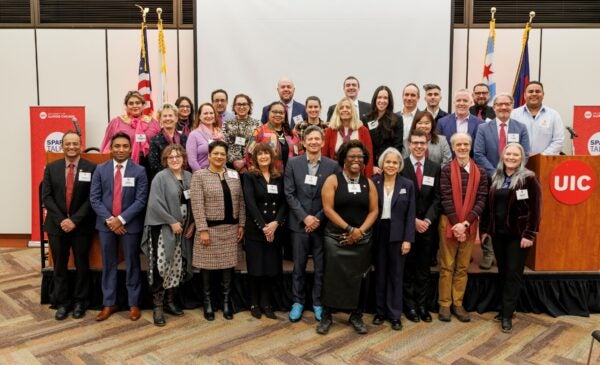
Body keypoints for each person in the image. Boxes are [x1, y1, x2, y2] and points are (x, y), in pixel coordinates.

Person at [317, 140, 378, 335]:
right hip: (335, 237)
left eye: (360, 157)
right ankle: (328, 314)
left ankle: (356, 315)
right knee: (332, 276)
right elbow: (327, 209)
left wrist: (359, 232)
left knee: (358, 278)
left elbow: (374, 211)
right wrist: (349, 228)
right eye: (352, 156)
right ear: (343, 158)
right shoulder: (333, 180)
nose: (356, 160)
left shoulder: (368, 183)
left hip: (362, 238)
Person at [481, 143, 541, 333]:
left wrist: (529, 234)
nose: (512, 157)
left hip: (519, 236)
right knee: (503, 272)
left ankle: (507, 315)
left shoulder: (529, 179)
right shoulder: (496, 177)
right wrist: (485, 230)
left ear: (521, 158)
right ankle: (506, 308)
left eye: (516, 154)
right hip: (498, 234)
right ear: (503, 156)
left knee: (513, 274)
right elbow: (488, 208)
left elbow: (536, 209)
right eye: (509, 154)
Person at [90, 132, 148, 322]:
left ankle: (133, 304)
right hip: (106, 225)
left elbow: (141, 200)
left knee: (132, 263)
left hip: (129, 226)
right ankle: (109, 303)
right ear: (111, 148)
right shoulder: (100, 169)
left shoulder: (139, 171)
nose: (121, 149)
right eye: (117, 146)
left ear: (130, 148)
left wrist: (121, 220)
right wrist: (111, 220)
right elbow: (95, 198)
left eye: (124, 146)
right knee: (108, 264)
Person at [284, 126, 338, 322]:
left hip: (322, 224)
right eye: (310, 139)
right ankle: (297, 302)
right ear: (304, 142)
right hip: (299, 225)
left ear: (323, 142)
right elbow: (289, 193)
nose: (314, 142)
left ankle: (317, 302)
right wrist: (305, 217)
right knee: (298, 266)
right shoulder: (292, 164)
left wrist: (317, 218)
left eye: (317, 139)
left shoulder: (332, 166)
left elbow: (334, 196)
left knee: (320, 267)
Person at [42, 131, 96, 320]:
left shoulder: (91, 168)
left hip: (81, 226)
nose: (71, 147)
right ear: (62, 146)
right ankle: (63, 302)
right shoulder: (51, 168)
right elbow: (46, 197)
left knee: (82, 264)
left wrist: (74, 220)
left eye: (75, 143)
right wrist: (62, 220)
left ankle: (81, 302)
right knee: (59, 266)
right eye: (68, 144)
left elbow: (92, 198)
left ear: (81, 145)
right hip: (57, 226)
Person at [190, 141, 245, 321]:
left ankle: (226, 301)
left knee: (228, 267)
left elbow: (241, 202)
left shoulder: (234, 175)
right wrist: (202, 229)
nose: (219, 157)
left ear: (226, 156)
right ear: (209, 156)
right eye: (216, 154)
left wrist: (242, 225)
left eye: (223, 154)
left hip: (231, 229)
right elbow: (196, 204)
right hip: (210, 230)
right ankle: (208, 303)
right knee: (206, 268)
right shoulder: (199, 176)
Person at [141, 144, 194, 326]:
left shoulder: (189, 177)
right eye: (171, 157)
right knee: (161, 265)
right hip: (163, 228)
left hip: (184, 229)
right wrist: (172, 222)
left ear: (183, 159)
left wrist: (192, 224)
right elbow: (154, 204)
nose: (174, 159)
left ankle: (171, 302)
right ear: (165, 160)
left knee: (177, 265)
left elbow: (194, 203)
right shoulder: (160, 177)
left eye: (178, 156)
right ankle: (158, 307)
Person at [438, 132, 487, 323]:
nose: (462, 148)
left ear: (470, 146)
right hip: (448, 222)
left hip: (470, 224)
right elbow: (445, 197)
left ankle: (457, 303)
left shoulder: (481, 172)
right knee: (446, 266)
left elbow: (481, 199)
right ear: (452, 147)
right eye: (458, 144)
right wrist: (456, 223)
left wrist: (465, 223)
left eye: (466, 144)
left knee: (462, 267)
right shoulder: (445, 170)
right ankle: (444, 304)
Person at [371, 147, 416, 331]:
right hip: (378, 232)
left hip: (398, 234)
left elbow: (410, 214)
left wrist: (408, 239)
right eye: (388, 162)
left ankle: (395, 314)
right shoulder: (373, 183)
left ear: (399, 165)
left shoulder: (407, 185)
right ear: (382, 164)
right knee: (380, 273)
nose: (391, 165)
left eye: (394, 162)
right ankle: (380, 312)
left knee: (396, 276)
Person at [400, 129, 442, 323]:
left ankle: (422, 306)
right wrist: (413, 221)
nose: (418, 146)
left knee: (423, 269)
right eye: (415, 143)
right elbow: (401, 200)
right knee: (408, 269)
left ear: (427, 145)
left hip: (427, 227)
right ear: (409, 145)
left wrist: (426, 221)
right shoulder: (401, 167)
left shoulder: (435, 167)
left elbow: (437, 198)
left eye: (422, 143)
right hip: (408, 227)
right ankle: (409, 306)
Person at [243, 143, 287, 320]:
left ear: (272, 157)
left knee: (270, 267)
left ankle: (267, 303)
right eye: (259, 155)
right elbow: (250, 203)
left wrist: (276, 223)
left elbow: (284, 202)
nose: (263, 157)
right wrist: (263, 226)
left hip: (275, 230)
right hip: (256, 230)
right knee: (256, 268)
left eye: (266, 154)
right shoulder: (249, 176)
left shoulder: (279, 177)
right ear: (255, 158)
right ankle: (254, 303)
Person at [474, 93, 531, 176]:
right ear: (494, 107)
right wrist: (494, 173)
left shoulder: (521, 128)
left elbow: (524, 154)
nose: (504, 107)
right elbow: (479, 154)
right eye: (500, 104)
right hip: (490, 177)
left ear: (512, 107)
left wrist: (512, 172)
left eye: (507, 104)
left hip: (514, 177)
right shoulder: (483, 128)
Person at [100, 91, 160, 166]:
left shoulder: (153, 123)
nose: (135, 106)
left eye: (138, 103)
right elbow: (107, 142)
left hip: (150, 162)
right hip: (124, 161)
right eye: (131, 103)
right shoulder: (116, 122)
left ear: (143, 105)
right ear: (126, 106)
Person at [322, 97, 374, 177]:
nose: (344, 109)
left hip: (358, 175)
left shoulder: (363, 130)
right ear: (337, 112)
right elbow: (324, 156)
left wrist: (368, 178)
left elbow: (369, 156)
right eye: (341, 108)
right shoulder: (330, 131)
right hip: (335, 175)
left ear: (353, 111)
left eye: (348, 107)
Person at [510, 81, 565, 155]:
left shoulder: (554, 115)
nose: (534, 94)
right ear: (525, 95)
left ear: (543, 95)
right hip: (519, 161)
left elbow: (558, 140)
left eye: (538, 91)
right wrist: (521, 155)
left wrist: (541, 156)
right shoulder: (514, 114)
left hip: (545, 161)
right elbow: (509, 138)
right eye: (530, 91)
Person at [247, 101, 302, 173]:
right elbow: (249, 152)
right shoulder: (259, 131)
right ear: (268, 113)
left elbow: (300, 153)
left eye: (281, 113)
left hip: (290, 176)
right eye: (274, 112)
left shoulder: (292, 134)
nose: (278, 114)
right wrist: (255, 170)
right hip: (268, 176)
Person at [364, 86, 404, 172]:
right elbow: (364, 146)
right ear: (375, 99)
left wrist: (388, 164)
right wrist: (371, 166)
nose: (382, 101)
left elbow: (397, 145)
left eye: (385, 98)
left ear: (389, 101)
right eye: (379, 97)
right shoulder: (366, 119)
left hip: (389, 166)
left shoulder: (397, 119)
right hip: (371, 166)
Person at [437, 89, 484, 157]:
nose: (461, 103)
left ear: (471, 103)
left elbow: (480, 150)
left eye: (465, 100)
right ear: (454, 102)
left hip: (473, 165)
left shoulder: (480, 124)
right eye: (458, 100)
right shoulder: (442, 122)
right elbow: (439, 149)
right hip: (448, 165)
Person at [222, 93, 261, 174]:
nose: (241, 107)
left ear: (249, 106)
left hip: (252, 166)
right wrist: (234, 162)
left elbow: (259, 144)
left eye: (244, 104)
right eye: (238, 104)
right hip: (231, 166)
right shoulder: (226, 124)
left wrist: (244, 162)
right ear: (234, 107)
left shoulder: (257, 124)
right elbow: (224, 144)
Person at [148, 103, 188, 180]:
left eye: (170, 115)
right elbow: (154, 164)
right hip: (163, 179)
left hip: (183, 177)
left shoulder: (184, 138)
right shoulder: (155, 140)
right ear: (160, 119)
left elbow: (187, 159)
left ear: (176, 118)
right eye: (165, 116)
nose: (167, 118)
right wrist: (171, 176)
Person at [186, 103, 225, 172]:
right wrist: (202, 175)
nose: (209, 116)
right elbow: (192, 161)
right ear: (199, 116)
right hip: (202, 174)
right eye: (205, 113)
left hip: (220, 172)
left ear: (215, 115)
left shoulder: (219, 133)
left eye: (211, 113)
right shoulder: (194, 135)